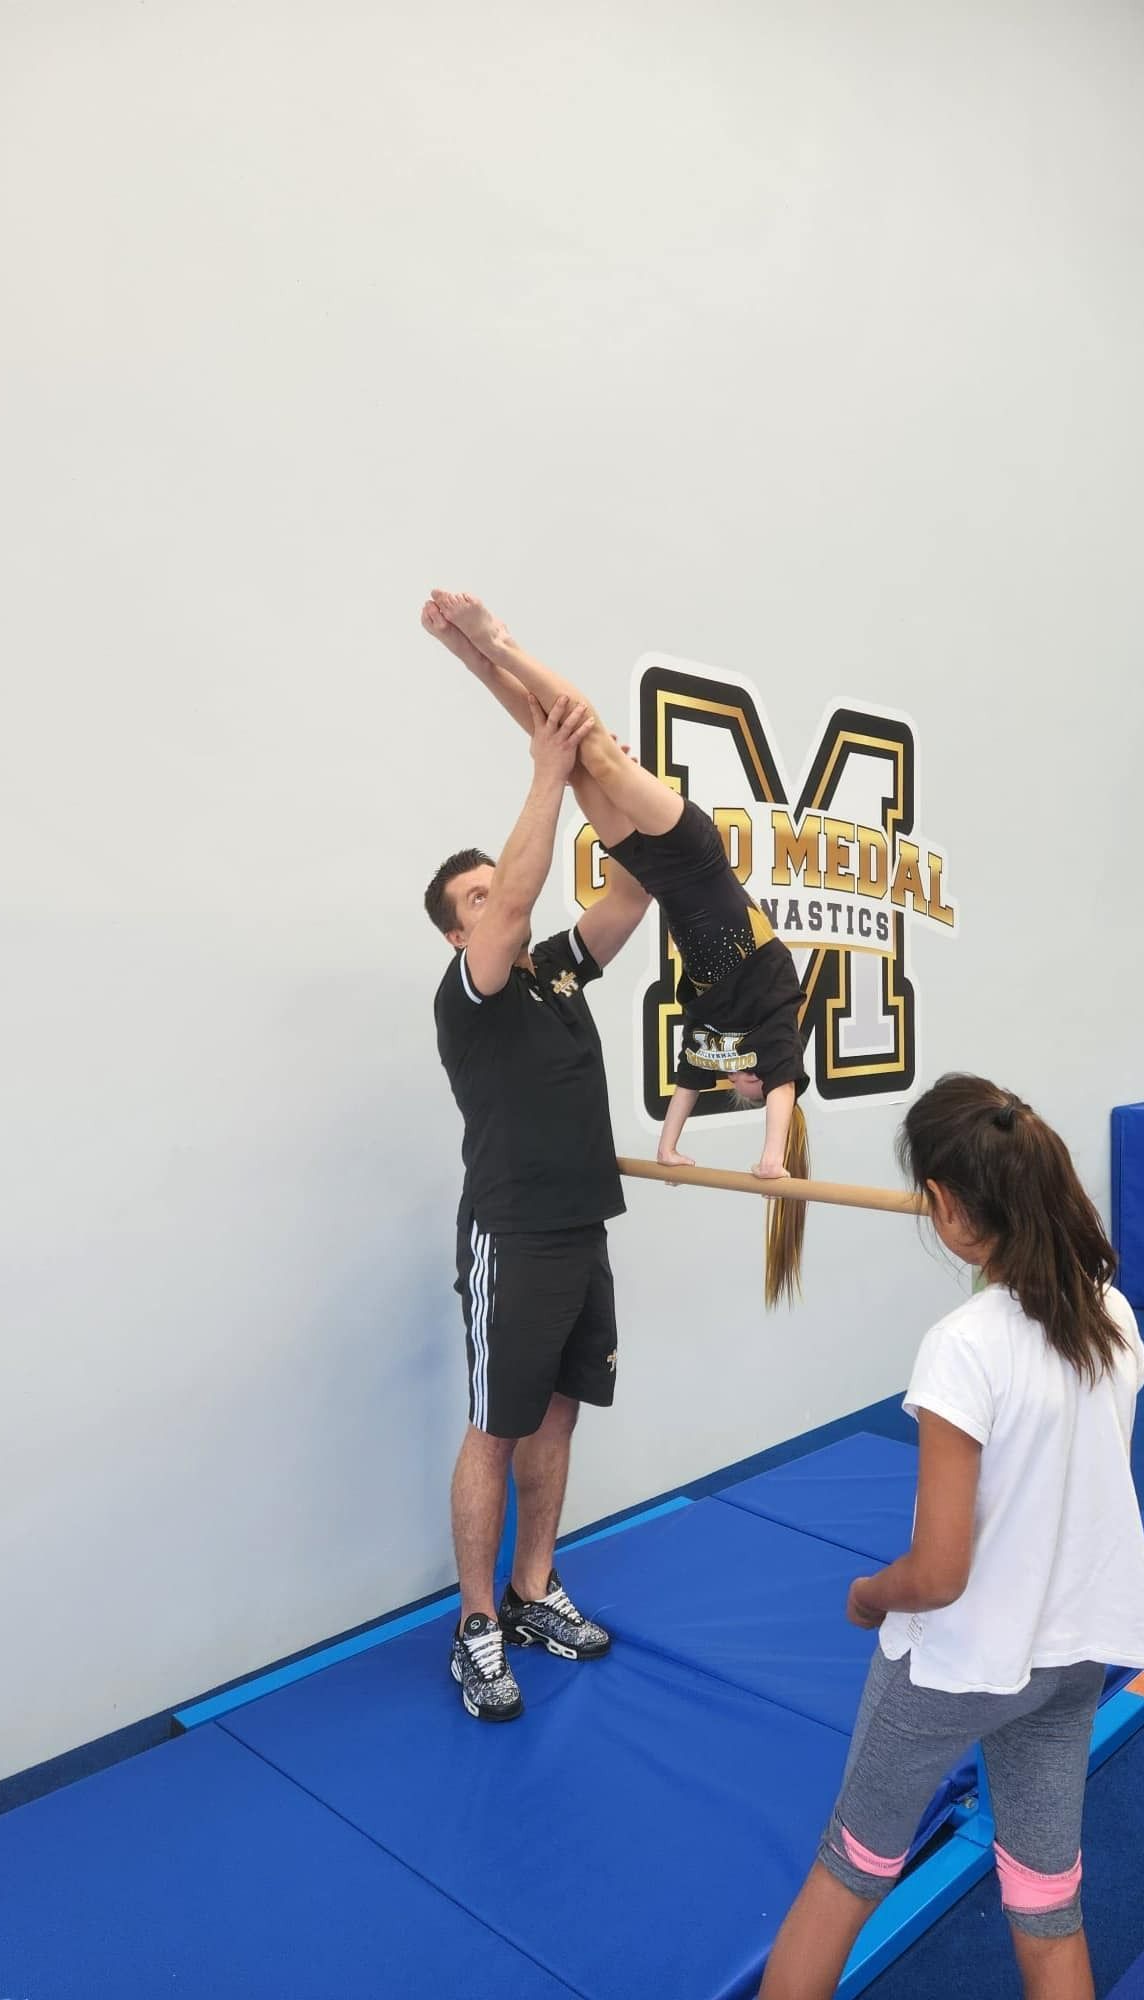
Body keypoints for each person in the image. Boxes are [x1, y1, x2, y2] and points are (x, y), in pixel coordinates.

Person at [760, 1074, 1144, 2000]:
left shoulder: (965, 1344)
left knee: (847, 1874)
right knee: (1045, 1898)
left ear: (946, 1208)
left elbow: (939, 1573)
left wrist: (869, 1597)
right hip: (1070, 1656)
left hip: (956, 1666)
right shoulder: (1111, 1314)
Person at [423, 588, 813, 1305]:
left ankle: (473, 659)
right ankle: (497, 643)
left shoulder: (715, 1032)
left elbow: (689, 1085)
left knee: (571, 759)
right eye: (748, 1084)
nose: (744, 1082)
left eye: (744, 1084)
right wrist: (771, 1158)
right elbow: (783, 1088)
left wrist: (669, 1151)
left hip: (654, 875)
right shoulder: (774, 1022)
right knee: (592, 750)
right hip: (695, 857)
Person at [426, 688, 653, 1722]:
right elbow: (516, 908)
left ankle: (532, 1587)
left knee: (559, 1413)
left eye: (494, 886)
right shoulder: (468, 990)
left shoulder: (555, 971)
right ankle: (477, 1624)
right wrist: (547, 770)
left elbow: (636, 888)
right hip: (510, 1236)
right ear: (455, 929)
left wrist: (604, 772)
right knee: (496, 1428)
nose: (496, 899)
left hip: (581, 1228)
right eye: (474, 896)